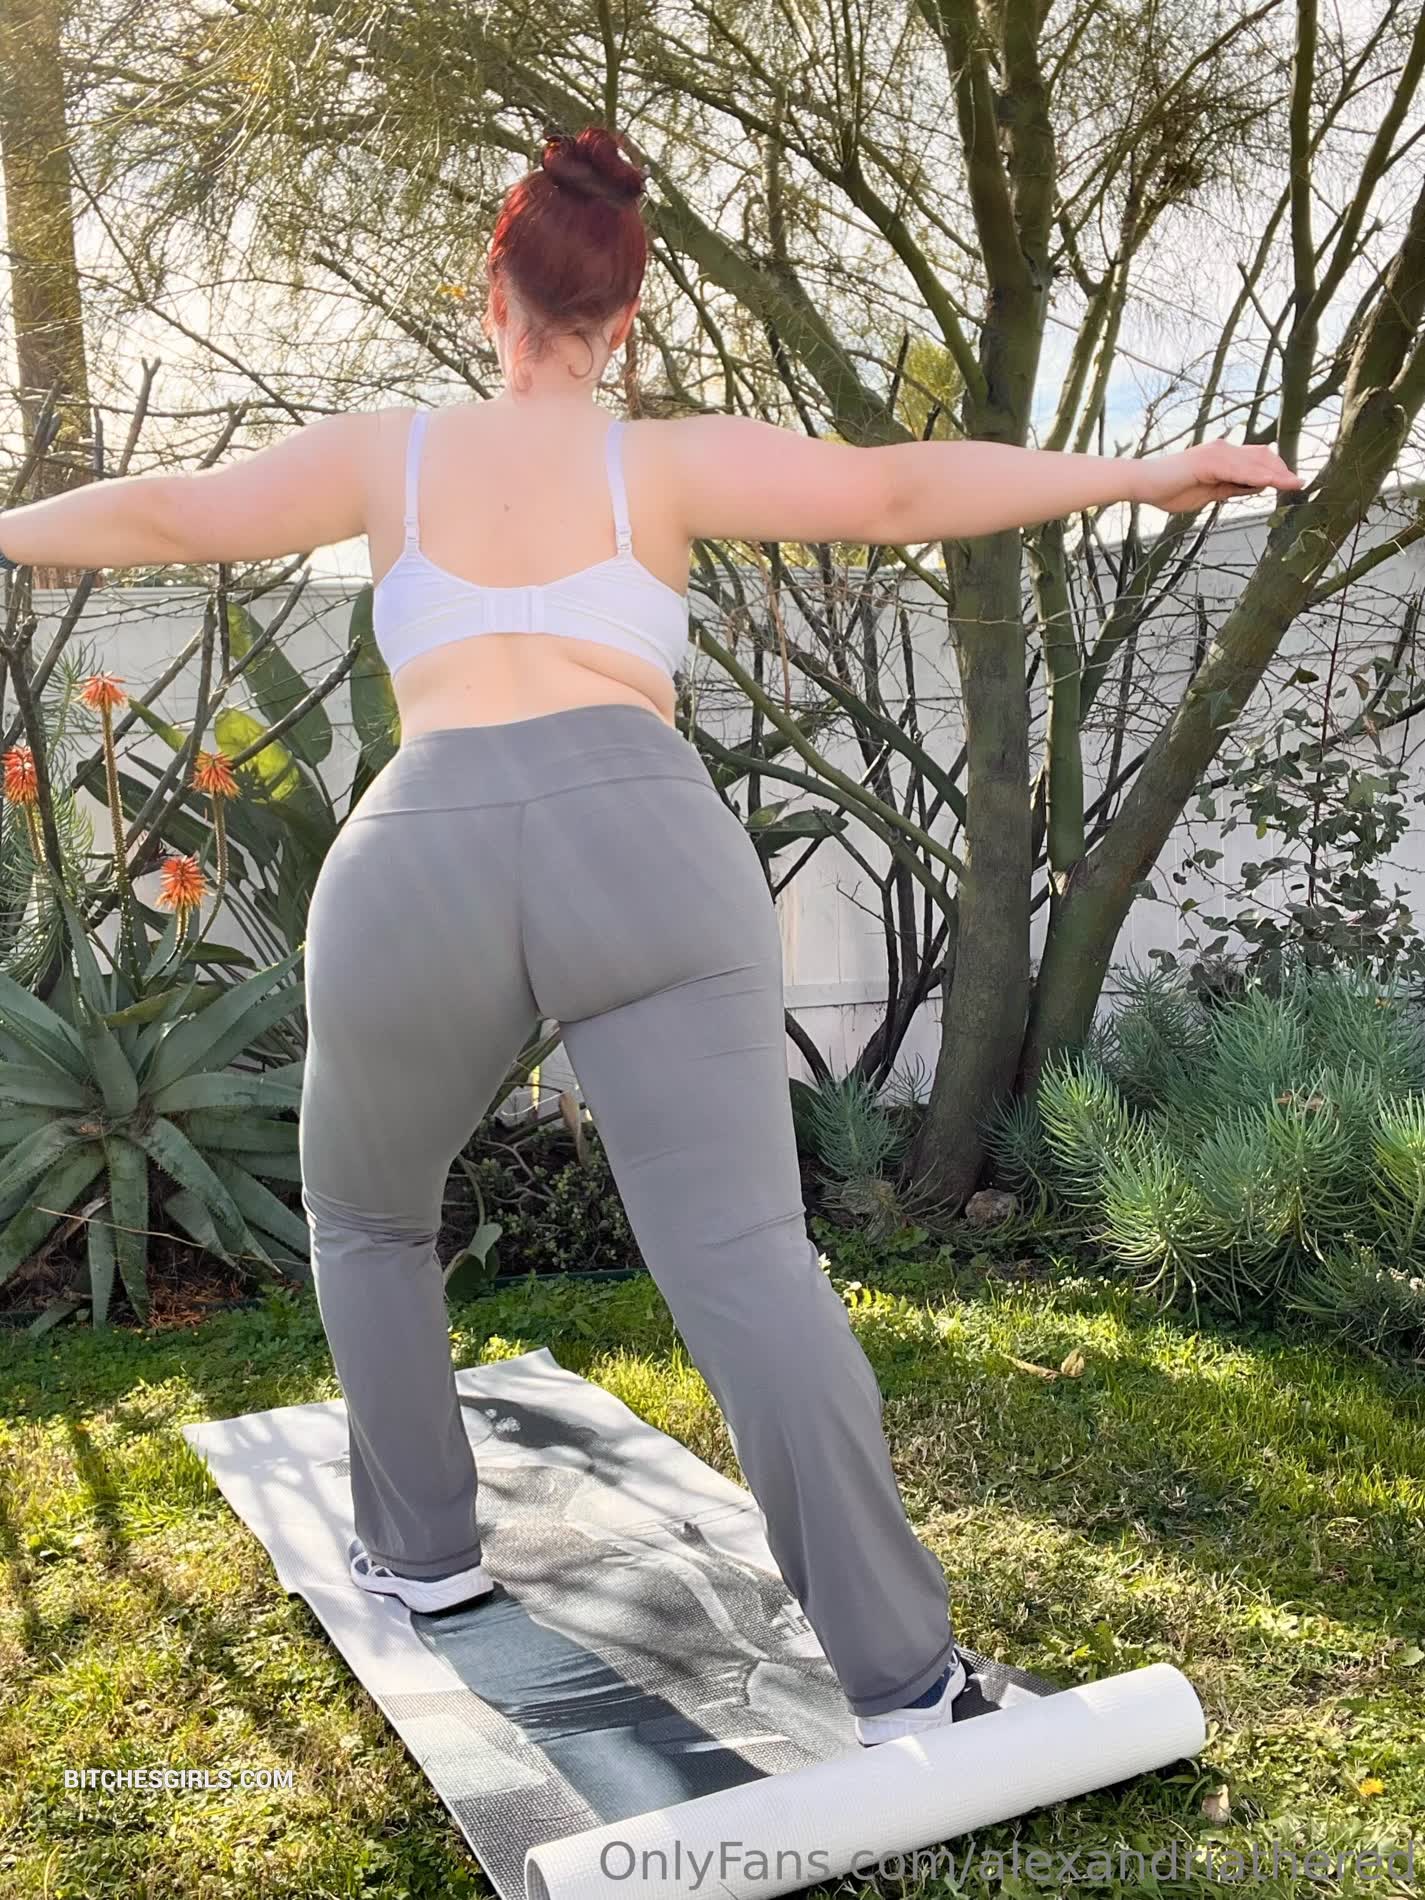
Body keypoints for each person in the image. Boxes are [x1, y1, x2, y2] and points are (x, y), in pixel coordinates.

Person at [0, 125, 1303, 1746]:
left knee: (368, 1218)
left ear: (489, 294)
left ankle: (425, 1560)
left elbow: (170, 513)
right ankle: (902, 1683)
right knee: (743, 1257)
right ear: (623, 318)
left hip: (421, 850)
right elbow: (902, 488)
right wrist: (1143, 473)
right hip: (644, 834)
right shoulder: (661, 463)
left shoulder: (387, 454)